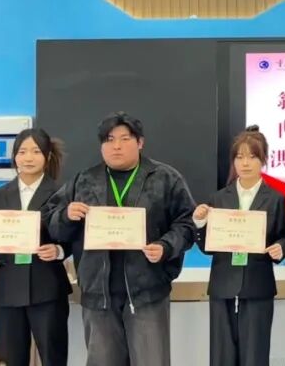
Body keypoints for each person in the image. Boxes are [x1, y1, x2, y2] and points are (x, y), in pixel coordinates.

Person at [48, 112, 196, 366]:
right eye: (109, 139)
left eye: (124, 139)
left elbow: (188, 222)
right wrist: (66, 215)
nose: (116, 146)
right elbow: (51, 223)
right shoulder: (84, 181)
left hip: (147, 292)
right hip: (98, 295)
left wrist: (165, 246)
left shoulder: (165, 178)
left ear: (140, 143)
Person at [0, 128, 72, 366]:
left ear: (47, 156)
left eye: (35, 151)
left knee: (53, 356)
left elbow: (72, 235)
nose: (28, 157)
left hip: (47, 286)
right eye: (22, 152)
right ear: (14, 157)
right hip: (8, 287)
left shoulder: (62, 193)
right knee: (8, 358)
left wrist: (59, 251)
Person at [193, 125, 285, 366]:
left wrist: (281, 247)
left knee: (255, 355)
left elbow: (284, 236)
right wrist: (200, 223)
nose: (245, 163)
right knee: (221, 355)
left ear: (263, 160)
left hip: (258, 285)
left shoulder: (276, 199)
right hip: (223, 285)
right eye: (239, 157)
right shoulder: (218, 198)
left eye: (252, 156)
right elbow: (207, 247)